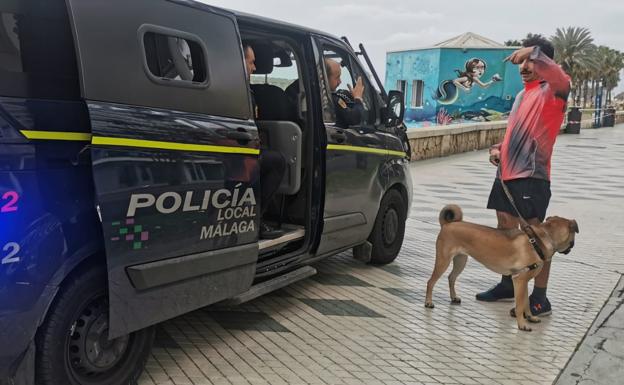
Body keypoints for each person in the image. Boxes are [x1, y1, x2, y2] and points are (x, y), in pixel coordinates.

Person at [475, 35, 571, 317]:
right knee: (505, 229)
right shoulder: (522, 95)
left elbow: (563, 80)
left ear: (544, 62)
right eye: (523, 60)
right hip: (507, 174)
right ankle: (508, 283)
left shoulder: (552, 91)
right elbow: (515, 134)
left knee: (536, 236)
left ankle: (540, 297)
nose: (525, 65)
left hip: (533, 176)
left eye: (532, 60)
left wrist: (534, 51)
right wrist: (498, 149)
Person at [243, 43, 286, 239]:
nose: (254, 68)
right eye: (251, 62)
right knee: (277, 161)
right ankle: (256, 220)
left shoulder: (243, 88)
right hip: (236, 155)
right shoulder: (240, 89)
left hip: (237, 153)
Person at [324, 58, 365, 128]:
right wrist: (358, 98)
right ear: (325, 78)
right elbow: (354, 119)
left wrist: (353, 97)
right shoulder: (330, 99)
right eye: (337, 77)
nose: (340, 82)